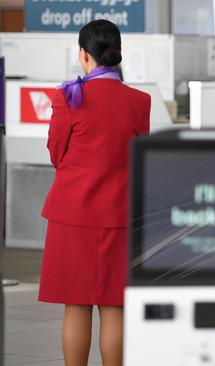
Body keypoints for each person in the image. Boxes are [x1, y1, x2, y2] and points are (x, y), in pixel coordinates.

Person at [39, 19, 150, 366]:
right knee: (115, 305)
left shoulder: (69, 97)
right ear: (118, 53)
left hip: (73, 214)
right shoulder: (139, 101)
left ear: (83, 54)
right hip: (120, 214)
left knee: (77, 304)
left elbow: (57, 153)